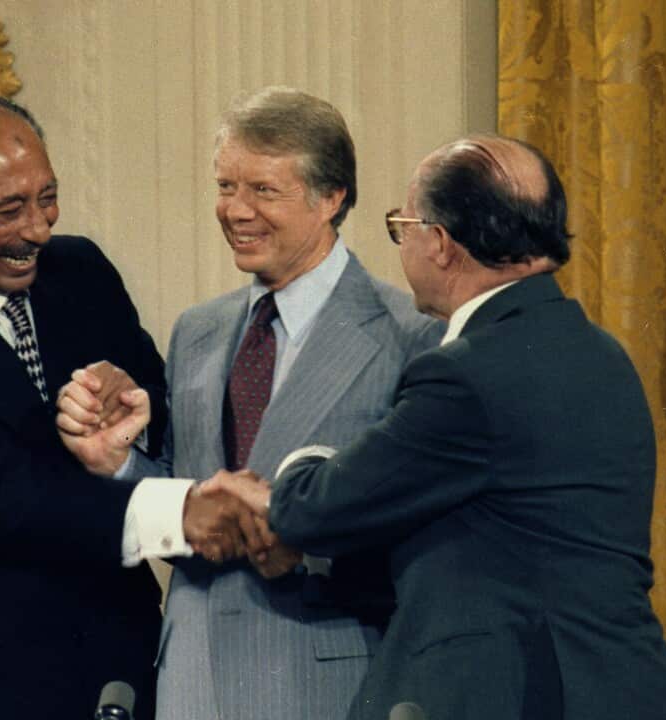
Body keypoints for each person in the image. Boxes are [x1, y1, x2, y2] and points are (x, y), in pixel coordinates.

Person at [213, 135, 666, 719]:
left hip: (518, 697)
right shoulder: (604, 355)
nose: (402, 241)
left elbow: (314, 508)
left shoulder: (468, 374)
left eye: (402, 224)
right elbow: (483, 546)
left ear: (438, 242)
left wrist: (294, 466)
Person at [0, 92, 256, 720]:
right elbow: (0, 499)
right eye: (10, 209)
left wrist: (132, 414)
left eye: (47, 197)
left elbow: (165, 414)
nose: (38, 228)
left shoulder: (80, 272)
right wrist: (179, 510)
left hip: (114, 664)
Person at [56, 87, 441, 720]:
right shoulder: (197, 331)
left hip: (322, 677)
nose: (236, 210)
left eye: (263, 190)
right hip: (191, 679)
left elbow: (418, 530)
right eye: (225, 186)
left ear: (331, 198)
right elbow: (194, 504)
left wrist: (307, 545)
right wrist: (118, 466)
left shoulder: (407, 335)